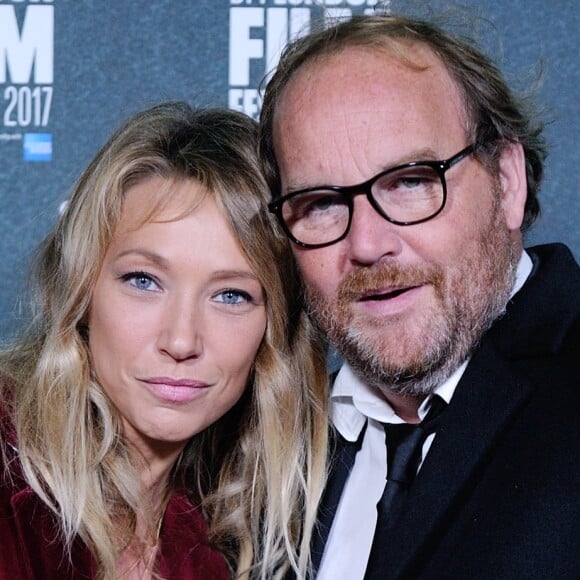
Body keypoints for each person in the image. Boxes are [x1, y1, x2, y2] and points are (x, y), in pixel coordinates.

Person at [258, 11, 579, 580]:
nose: (367, 243)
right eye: (321, 204)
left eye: (410, 182)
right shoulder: (275, 450)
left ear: (506, 182)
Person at [0, 102, 328, 579]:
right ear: (83, 291)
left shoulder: (213, 548)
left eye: (231, 295)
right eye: (144, 281)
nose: (181, 340)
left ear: (273, 330)